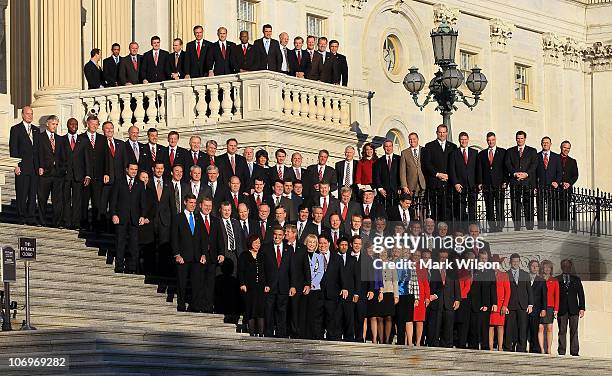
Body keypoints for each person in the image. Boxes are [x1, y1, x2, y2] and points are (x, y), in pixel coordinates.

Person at [171, 193, 208, 312]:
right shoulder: (178, 218)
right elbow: (174, 238)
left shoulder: (198, 218)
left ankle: (195, 306)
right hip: (183, 257)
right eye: (191, 203)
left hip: (197, 257)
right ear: (185, 202)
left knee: (196, 283)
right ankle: (181, 305)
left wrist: (203, 254)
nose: (193, 205)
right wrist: (177, 254)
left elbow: (203, 237)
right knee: (181, 283)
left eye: (194, 203)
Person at [110, 163, 146, 273]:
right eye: (132, 169)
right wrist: (113, 214)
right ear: (127, 169)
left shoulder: (140, 184)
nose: (134, 171)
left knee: (133, 244)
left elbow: (143, 202)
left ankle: (132, 267)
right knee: (120, 242)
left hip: (134, 219)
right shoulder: (119, 181)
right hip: (121, 217)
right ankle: (119, 266)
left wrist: (143, 216)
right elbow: (113, 200)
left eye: (136, 169)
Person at [79, 115, 110, 231]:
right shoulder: (80, 138)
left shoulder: (102, 139)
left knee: (97, 202)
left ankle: (97, 225)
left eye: (97, 124)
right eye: (93, 124)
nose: (95, 126)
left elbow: (106, 157)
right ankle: (84, 223)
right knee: (84, 201)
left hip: (98, 176)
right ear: (87, 124)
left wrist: (106, 173)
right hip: (85, 177)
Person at [262, 225, 294, 337]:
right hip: (269, 286)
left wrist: (293, 286)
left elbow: (292, 269)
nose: (277, 237)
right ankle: (268, 333)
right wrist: (265, 283)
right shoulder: (265, 247)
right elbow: (262, 268)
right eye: (275, 234)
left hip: (284, 286)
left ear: (283, 235)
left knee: (282, 311)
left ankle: (281, 335)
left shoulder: (289, 249)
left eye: (280, 235)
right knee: (269, 311)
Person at [10, 106, 39, 225]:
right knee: (22, 192)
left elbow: (38, 150)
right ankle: (21, 216)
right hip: (22, 166)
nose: (30, 116)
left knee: (32, 193)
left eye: (31, 114)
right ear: (22, 115)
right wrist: (15, 165)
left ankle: (31, 216)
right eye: (28, 114)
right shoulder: (16, 129)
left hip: (34, 168)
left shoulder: (36, 130)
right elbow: (14, 149)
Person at [422, 124, 457, 221]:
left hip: (448, 184)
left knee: (448, 211)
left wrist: (449, 176)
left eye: (444, 132)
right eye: (440, 132)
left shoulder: (453, 147)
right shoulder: (429, 146)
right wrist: (438, 174)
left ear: (447, 133)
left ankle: (448, 232)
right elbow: (427, 164)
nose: (442, 134)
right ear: (437, 133)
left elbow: (454, 165)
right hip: (435, 183)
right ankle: (436, 233)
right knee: (435, 211)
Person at [505, 130, 538, 231]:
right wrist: (515, 173)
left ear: (525, 139)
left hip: (528, 182)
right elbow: (507, 164)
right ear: (516, 139)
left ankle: (529, 227)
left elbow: (534, 164)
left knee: (528, 206)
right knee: (515, 206)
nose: (519, 140)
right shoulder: (510, 151)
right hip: (515, 182)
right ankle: (517, 227)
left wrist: (526, 174)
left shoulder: (532, 151)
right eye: (518, 138)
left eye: (521, 138)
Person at [35, 115, 64, 227]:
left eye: (56, 124)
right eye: (53, 124)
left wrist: (62, 169)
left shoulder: (60, 139)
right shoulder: (39, 137)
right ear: (47, 124)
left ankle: (56, 222)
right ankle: (42, 221)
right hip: (44, 174)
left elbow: (63, 156)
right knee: (42, 199)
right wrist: (39, 166)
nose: (54, 126)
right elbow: (37, 154)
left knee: (57, 200)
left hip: (57, 174)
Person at [238, 234, 268, 336]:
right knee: (251, 308)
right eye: (255, 243)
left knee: (260, 309)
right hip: (249, 287)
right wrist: (242, 283)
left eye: (259, 243)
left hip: (261, 287)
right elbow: (241, 271)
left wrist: (267, 284)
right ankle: (252, 332)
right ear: (250, 243)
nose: (257, 245)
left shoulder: (262, 256)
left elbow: (266, 271)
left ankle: (260, 333)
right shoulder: (244, 255)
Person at [477, 132, 507, 232]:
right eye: (489, 140)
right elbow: (480, 169)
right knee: (489, 206)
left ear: (495, 140)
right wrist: (480, 182)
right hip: (487, 184)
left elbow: (505, 168)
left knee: (499, 205)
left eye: (492, 140)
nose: (491, 142)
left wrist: (505, 181)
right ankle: (492, 226)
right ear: (487, 140)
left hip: (499, 184)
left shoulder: (502, 152)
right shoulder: (482, 154)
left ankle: (500, 225)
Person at [504, 253, 534, 352]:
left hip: (523, 305)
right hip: (510, 305)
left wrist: (530, 304)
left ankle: (521, 348)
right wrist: (505, 305)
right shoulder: (506, 274)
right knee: (509, 327)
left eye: (517, 261)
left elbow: (529, 290)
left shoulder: (525, 274)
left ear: (520, 262)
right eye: (513, 261)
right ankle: (508, 347)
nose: (515, 263)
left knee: (522, 327)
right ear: (510, 262)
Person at [198, 196, 223, 313]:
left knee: (210, 283)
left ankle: (208, 306)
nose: (208, 208)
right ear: (200, 206)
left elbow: (220, 239)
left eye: (209, 206)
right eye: (205, 205)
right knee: (200, 282)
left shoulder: (216, 220)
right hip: (199, 257)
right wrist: (200, 253)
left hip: (212, 257)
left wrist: (221, 253)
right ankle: (199, 305)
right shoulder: (195, 219)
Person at [61, 118, 87, 230]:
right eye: (71, 124)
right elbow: (59, 157)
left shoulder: (83, 140)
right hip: (65, 175)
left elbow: (87, 159)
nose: (74, 126)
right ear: (67, 125)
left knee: (77, 200)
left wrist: (88, 174)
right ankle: (66, 221)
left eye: (75, 124)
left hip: (78, 175)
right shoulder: (61, 140)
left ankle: (76, 222)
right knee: (65, 199)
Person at [318, 234, 345, 340]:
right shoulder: (314, 256)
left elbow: (342, 275)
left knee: (332, 318)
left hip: (332, 294)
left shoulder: (337, 258)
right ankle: (318, 338)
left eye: (325, 243)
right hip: (317, 293)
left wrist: (344, 287)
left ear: (329, 243)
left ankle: (332, 338)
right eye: (320, 243)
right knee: (318, 318)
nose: (322, 245)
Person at [556, 259, 585, 356]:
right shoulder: (557, 279)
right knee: (562, 331)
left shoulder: (576, 279)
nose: (566, 267)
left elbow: (581, 294)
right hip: (561, 309)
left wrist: (582, 308)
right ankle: (561, 351)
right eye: (564, 265)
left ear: (570, 267)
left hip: (574, 309)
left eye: (568, 265)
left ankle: (575, 352)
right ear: (561, 267)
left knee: (574, 331)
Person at [449, 131, 478, 222]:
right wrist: (455, 183)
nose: (463, 141)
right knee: (460, 208)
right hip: (460, 185)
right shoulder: (454, 153)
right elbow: (452, 170)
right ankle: (461, 228)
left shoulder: (474, 152)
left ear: (468, 140)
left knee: (472, 207)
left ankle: (472, 227)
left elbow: (477, 169)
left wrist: (478, 183)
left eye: (465, 139)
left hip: (472, 184)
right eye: (462, 139)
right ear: (459, 140)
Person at [536, 136, 563, 229]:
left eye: (547, 142)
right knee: (540, 207)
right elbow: (534, 172)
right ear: (541, 144)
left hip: (552, 186)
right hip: (541, 186)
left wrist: (557, 182)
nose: (545, 144)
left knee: (551, 207)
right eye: (543, 142)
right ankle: (541, 227)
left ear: (550, 144)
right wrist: (535, 186)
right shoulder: (537, 156)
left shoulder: (556, 157)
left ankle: (551, 227)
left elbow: (560, 172)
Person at [302, 234, 325, 339]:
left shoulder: (319, 256)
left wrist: (312, 284)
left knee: (313, 312)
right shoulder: (302, 255)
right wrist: (306, 284)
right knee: (304, 311)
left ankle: (312, 334)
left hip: (315, 288)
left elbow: (320, 272)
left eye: (314, 242)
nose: (311, 244)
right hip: (303, 288)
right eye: (310, 242)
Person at [336, 237, 359, 341]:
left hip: (350, 293)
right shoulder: (333, 258)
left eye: (345, 245)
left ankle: (349, 337)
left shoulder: (353, 259)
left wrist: (356, 293)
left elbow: (356, 278)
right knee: (337, 316)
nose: (344, 247)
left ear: (348, 246)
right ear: (338, 246)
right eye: (342, 245)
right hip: (336, 293)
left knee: (349, 316)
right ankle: (337, 336)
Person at [396, 247, 420, 346]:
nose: (405, 253)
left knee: (409, 319)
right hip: (398, 295)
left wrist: (417, 297)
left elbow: (415, 282)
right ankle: (401, 342)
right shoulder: (396, 264)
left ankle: (410, 342)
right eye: (404, 252)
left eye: (407, 252)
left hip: (409, 294)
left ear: (410, 254)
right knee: (399, 319)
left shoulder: (412, 265)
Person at [489, 255, 510, 351]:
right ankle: (490, 348)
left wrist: (505, 305)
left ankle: (500, 347)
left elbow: (508, 291)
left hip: (501, 305)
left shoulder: (504, 275)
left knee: (500, 326)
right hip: (491, 305)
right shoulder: (487, 275)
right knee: (491, 326)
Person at [538, 259, 559, 355]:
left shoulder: (554, 280)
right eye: (545, 267)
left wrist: (556, 309)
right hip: (540, 307)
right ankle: (542, 349)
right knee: (541, 328)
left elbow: (557, 295)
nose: (547, 269)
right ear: (542, 268)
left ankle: (549, 349)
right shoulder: (538, 279)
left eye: (549, 267)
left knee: (550, 328)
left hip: (550, 307)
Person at [528, 259, 548, 353]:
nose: (535, 268)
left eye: (536, 266)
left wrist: (544, 309)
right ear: (529, 267)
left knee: (534, 329)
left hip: (536, 309)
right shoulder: (524, 278)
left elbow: (544, 296)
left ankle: (535, 349)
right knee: (524, 329)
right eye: (533, 266)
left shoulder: (541, 280)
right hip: (524, 308)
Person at [411, 249, 430, 346]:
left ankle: (418, 342)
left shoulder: (422, 267)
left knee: (419, 320)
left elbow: (426, 284)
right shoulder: (407, 265)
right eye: (415, 255)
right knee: (409, 320)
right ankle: (408, 341)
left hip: (421, 297)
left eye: (418, 255)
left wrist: (427, 297)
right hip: (409, 296)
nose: (416, 257)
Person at [559, 141, 578, 231]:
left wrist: (569, 183)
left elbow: (575, 175)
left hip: (567, 189)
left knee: (566, 209)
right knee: (557, 209)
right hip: (557, 188)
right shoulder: (555, 158)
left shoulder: (573, 161)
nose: (566, 150)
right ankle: (557, 229)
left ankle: (565, 229)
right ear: (561, 147)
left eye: (568, 148)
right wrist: (560, 182)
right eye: (564, 147)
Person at [399, 132, 426, 198]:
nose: (412, 141)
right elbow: (402, 171)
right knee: (412, 205)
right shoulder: (404, 153)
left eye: (414, 139)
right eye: (410, 139)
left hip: (423, 183)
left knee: (423, 205)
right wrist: (404, 186)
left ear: (417, 139)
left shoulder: (424, 150)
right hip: (410, 184)